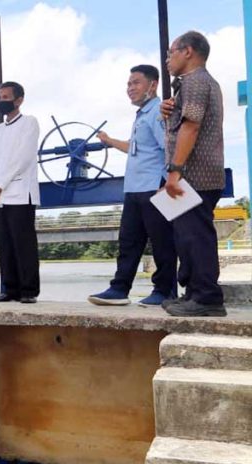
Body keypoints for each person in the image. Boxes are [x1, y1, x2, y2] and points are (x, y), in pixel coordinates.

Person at [88, 65, 176, 307]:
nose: (130, 88)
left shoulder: (158, 113)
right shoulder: (142, 115)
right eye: (128, 84)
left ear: (153, 84)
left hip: (154, 186)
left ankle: (164, 290)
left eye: (136, 82)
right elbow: (134, 148)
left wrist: (169, 181)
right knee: (128, 241)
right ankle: (119, 289)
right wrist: (108, 141)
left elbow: (170, 148)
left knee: (162, 242)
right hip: (135, 189)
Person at [160, 31, 227, 317]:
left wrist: (174, 171)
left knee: (196, 236)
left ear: (187, 51)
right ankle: (192, 293)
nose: (167, 59)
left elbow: (191, 126)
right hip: (191, 175)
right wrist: (168, 111)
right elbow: (182, 122)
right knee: (184, 236)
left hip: (196, 175)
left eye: (171, 52)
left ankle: (207, 297)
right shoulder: (188, 84)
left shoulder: (197, 80)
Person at [0, 81, 40, 304]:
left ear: (19, 100)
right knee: (5, 244)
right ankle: (10, 288)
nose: (2, 101)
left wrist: (0, 184)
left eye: (6, 97)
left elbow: (23, 158)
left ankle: (28, 290)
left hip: (20, 192)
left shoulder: (29, 123)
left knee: (23, 244)